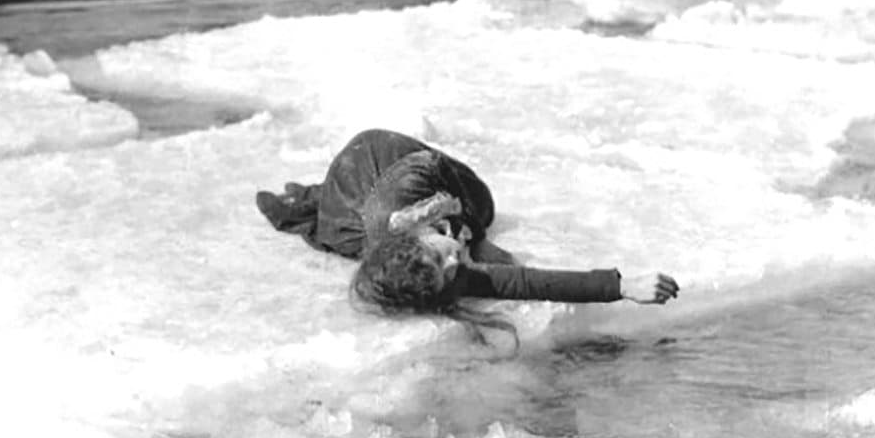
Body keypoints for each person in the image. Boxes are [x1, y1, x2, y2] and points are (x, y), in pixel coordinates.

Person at [256, 129, 679, 344]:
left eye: (442, 257)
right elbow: (525, 282)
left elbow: (430, 162)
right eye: (448, 271)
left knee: (483, 205)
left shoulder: (404, 199)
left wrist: (471, 230)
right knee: (340, 228)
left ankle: (463, 219)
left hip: (381, 154)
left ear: (416, 241)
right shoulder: (440, 269)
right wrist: (622, 287)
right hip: (356, 205)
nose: (455, 261)